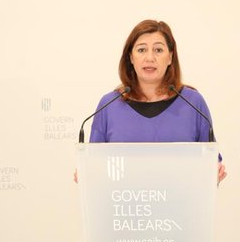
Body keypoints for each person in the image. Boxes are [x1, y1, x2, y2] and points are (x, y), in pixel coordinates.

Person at [87, 19, 227, 184]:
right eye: (141, 50)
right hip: (124, 205)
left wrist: (215, 169)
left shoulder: (193, 103)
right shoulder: (109, 105)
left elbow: (210, 161)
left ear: (170, 57)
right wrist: (87, 172)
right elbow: (93, 165)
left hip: (180, 205)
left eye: (158, 50)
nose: (150, 57)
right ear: (131, 57)